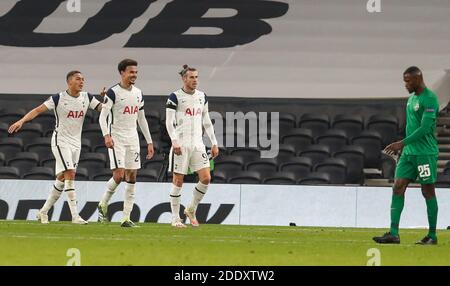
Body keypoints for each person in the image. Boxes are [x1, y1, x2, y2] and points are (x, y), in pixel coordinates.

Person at [8, 71, 104, 224]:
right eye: (78, 79)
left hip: (76, 143)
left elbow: (103, 109)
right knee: (70, 174)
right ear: (69, 82)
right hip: (61, 141)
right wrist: (22, 121)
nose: (82, 82)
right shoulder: (58, 98)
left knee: (62, 178)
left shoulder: (87, 97)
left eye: (83, 79)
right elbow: (38, 110)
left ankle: (43, 212)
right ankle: (75, 216)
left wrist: (106, 99)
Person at [373, 66, 440, 245]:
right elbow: (412, 126)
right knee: (398, 187)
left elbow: (425, 128)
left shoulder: (430, 99)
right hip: (409, 153)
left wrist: (401, 143)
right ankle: (393, 234)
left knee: (427, 191)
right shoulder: (410, 100)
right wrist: (405, 147)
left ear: (418, 79)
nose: (405, 84)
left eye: (408, 80)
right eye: (404, 80)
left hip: (425, 153)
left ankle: (432, 236)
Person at [97, 59, 154, 227]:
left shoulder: (138, 92)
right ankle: (102, 204)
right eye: (131, 72)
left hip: (133, 139)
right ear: (122, 73)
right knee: (119, 175)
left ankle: (126, 218)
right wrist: (106, 135)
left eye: (136, 72)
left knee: (132, 176)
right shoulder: (113, 93)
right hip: (117, 138)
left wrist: (149, 142)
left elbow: (141, 119)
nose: (134, 75)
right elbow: (103, 117)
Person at [165, 64, 219, 228]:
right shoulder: (174, 97)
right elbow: (169, 121)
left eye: (196, 77)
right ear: (184, 78)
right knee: (178, 181)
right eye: (191, 77)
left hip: (198, 144)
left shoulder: (202, 96)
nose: (195, 80)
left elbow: (206, 121)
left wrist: (214, 142)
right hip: (181, 144)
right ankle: (175, 218)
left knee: (206, 178)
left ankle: (191, 209)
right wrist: (174, 140)